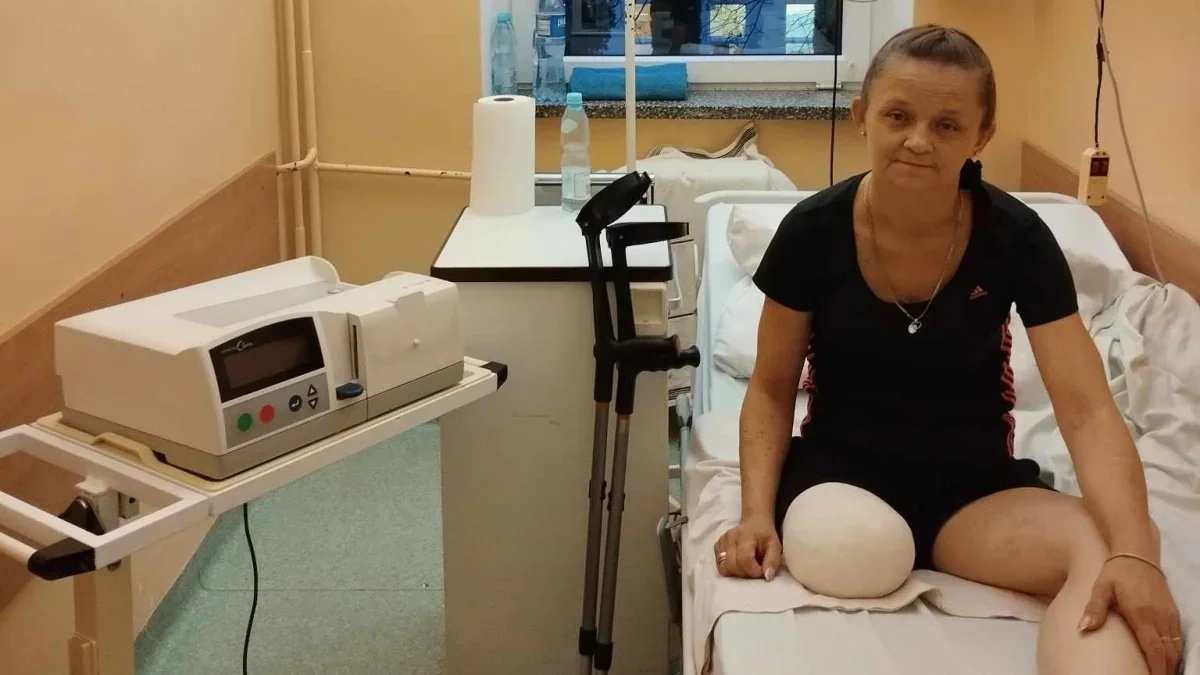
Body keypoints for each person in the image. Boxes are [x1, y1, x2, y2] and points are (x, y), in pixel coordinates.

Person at [713, 24, 1184, 675]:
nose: (918, 140)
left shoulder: (1017, 239)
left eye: (947, 125)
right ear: (862, 116)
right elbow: (769, 390)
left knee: (1115, 547)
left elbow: (1087, 410)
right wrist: (755, 515)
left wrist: (1134, 553)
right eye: (898, 116)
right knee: (865, 554)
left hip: (973, 495)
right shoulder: (810, 233)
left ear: (980, 137)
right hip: (840, 479)